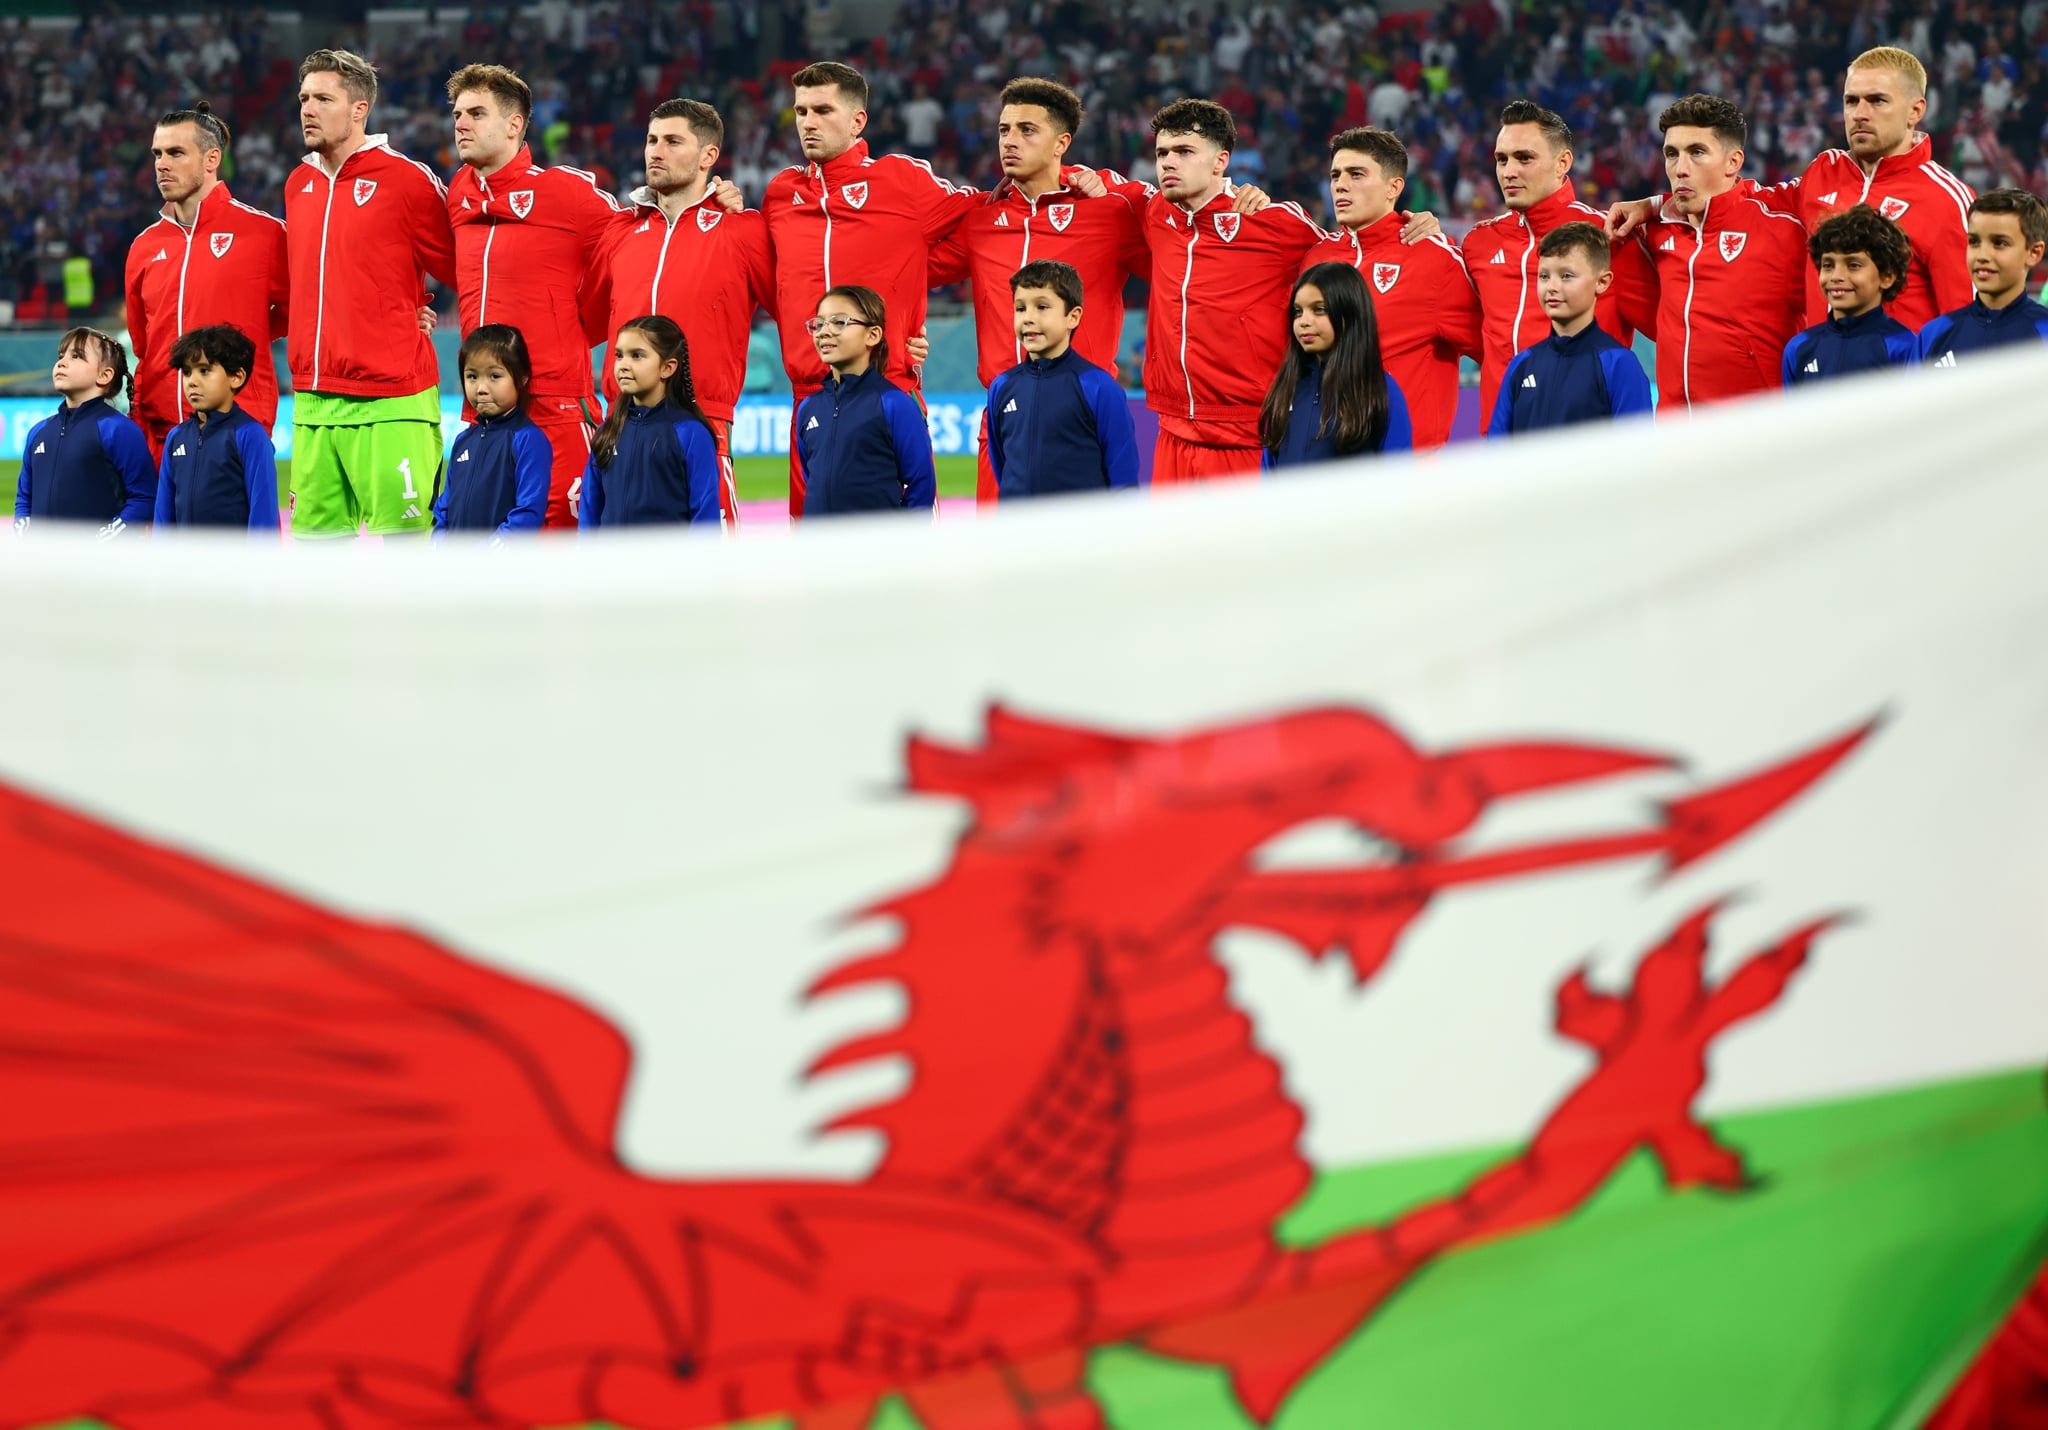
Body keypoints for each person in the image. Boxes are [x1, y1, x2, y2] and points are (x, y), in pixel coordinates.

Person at [1612, 48, 1974, 332]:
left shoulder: (1946, 199)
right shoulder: (1825, 171)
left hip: (1901, 398)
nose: (1859, 113)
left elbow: (1969, 324)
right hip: (1823, 390)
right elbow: (1746, 199)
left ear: (1916, 110)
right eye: (1851, 101)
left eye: (1876, 100)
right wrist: (1654, 205)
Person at [763, 62, 975, 515]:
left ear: (858, 120)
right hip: (808, 402)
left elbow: (984, 223)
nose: (808, 122)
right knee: (813, 554)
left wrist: (904, 297)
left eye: (822, 109)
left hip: (886, 390)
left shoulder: (900, 180)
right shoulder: (781, 194)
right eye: (800, 111)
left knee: (900, 552)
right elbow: (771, 279)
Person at [925, 78, 1150, 503]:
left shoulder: (1107, 214)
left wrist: (1115, 186)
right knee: (1002, 564)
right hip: (1003, 419)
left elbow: (1180, 251)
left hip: (1080, 419)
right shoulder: (982, 222)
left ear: (1061, 143)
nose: (1010, 140)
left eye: (1027, 130)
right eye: (1004, 130)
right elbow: (904, 266)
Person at [1112, 98, 1336, 482]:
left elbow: (1350, 255)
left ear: (1221, 161)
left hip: (1247, 434)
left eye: (1184, 151)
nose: (1167, 162)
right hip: (1172, 429)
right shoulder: (1157, 214)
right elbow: (1107, 186)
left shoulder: (1269, 221)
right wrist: (1074, 175)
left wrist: (1411, 224)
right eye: (1162, 152)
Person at [284, 48, 457, 540]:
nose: (307, 110)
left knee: (409, 555)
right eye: (303, 99)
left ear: (360, 109)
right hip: (312, 402)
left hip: (392, 398)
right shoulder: (299, 184)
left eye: (322, 98)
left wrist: (417, 309)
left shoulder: (408, 180)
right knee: (318, 557)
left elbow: (462, 266)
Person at [444, 64, 624, 530]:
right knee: (486, 554)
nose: (460, 123)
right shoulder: (458, 195)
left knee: (565, 558)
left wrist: (577, 332)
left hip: (555, 408)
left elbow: (636, 247)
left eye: (476, 113)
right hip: (485, 413)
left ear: (515, 124)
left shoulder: (566, 192)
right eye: (458, 112)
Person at [587, 98, 770, 527]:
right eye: (652, 140)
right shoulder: (621, 231)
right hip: (621, 423)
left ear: (709, 156)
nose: (655, 151)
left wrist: (892, 333)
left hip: (702, 421)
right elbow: (583, 318)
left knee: (708, 574)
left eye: (672, 141)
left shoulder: (741, 229)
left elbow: (800, 305)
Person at [1464, 100, 1655, 434]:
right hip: (1499, 452)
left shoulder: (1609, 238)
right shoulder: (1480, 244)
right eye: (1501, 159)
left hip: (1581, 451)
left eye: (1524, 158)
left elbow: (1674, 333)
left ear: (1562, 162)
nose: (1509, 171)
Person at [124, 102, 289, 462]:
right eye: (157, 154)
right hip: (158, 431)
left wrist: (253, 331)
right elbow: (143, 343)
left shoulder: (265, 234)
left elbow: (307, 303)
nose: (161, 164)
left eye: (176, 153)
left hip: (235, 426)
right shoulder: (143, 247)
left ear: (211, 159)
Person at [1301, 127, 1479, 449]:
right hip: (1326, 460)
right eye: (1335, 175)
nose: (1340, 185)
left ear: (1393, 187)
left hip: (1405, 467)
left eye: (1356, 174)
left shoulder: (1432, 260)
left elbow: (1496, 348)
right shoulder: (1317, 258)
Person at [1631, 95, 1810, 409]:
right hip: (1676, 440)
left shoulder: (1780, 232)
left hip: (1755, 437)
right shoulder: (1657, 231)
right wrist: (1651, 205)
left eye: (1697, 152)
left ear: (1733, 162)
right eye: (1671, 154)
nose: (1680, 168)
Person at [984, 260, 1140, 498]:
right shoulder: (1002, 387)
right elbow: (1002, 466)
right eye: (1020, 308)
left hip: (1081, 535)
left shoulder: (1099, 388)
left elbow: (1124, 481)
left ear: (1073, 317)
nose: (1028, 318)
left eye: (1042, 307)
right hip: (1017, 533)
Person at [1489, 225, 1655, 435]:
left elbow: (1637, 455)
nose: (1552, 287)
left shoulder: (1619, 365)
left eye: (1566, 276)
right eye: (1544, 276)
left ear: (1602, 282)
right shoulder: (1521, 365)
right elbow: (1497, 454)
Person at [794, 286, 937, 516]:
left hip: (877, 550)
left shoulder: (894, 404)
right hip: (819, 549)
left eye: (839, 322)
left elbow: (922, 483)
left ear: (873, 335)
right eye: (819, 324)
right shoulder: (809, 408)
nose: (823, 332)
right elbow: (811, 477)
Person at [1261, 262, 1414, 469]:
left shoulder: (1380, 390)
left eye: (1319, 310)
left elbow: (1399, 478)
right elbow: (1269, 469)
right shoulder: (1286, 388)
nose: (1303, 321)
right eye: (1298, 311)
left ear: (1347, 316)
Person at [579, 316, 726, 529]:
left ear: (668, 367)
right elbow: (589, 509)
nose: (623, 365)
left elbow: (705, 517)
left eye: (637, 356)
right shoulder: (608, 431)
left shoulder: (691, 433)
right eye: (619, 355)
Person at [13, 328, 156, 536]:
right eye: (61, 356)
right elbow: (25, 497)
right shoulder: (39, 432)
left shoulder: (119, 430)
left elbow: (143, 498)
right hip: (43, 564)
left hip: (96, 565)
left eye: (77, 356)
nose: (61, 362)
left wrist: (102, 542)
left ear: (104, 375)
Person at [153, 322, 280, 533]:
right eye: (186, 372)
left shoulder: (250, 435)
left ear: (236, 377)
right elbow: (163, 517)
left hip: (233, 565)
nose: (191, 381)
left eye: (204, 370)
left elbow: (263, 515)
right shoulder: (176, 437)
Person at [433, 324, 552, 540]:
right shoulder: (463, 440)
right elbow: (444, 509)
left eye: (495, 376)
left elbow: (528, 513)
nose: (481, 388)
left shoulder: (529, 440)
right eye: (472, 376)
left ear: (522, 378)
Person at [1782, 205, 1919, 386]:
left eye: (1853, 265)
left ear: (1886, 277)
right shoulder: (1799, 347)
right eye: (1828, 265)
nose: (1836, 277)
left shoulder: (1906, 348)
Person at [1915, 189, 2048, 364]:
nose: (1982, 255)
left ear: (2033, 252)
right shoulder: (1933, 334)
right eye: (1974, 242)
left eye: (1999, 243)